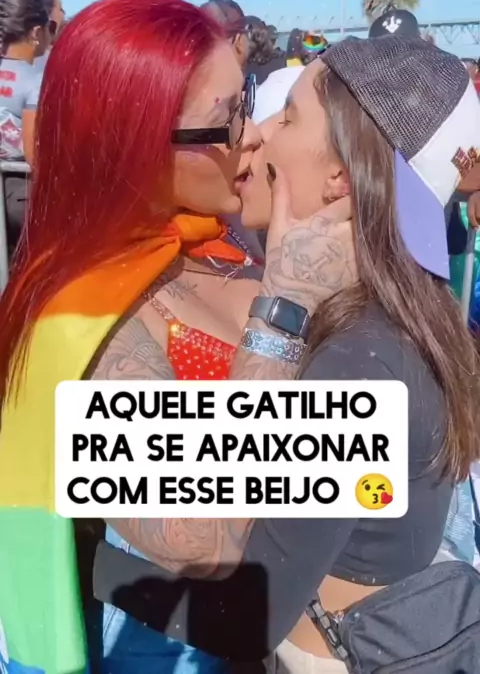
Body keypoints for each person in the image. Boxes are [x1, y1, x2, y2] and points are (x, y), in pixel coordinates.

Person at [93, 37, 480, 672]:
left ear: (340, 176)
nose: (257, 134)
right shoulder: (402, 308)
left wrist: (95, 565)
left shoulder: (359, 359)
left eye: (288, 117)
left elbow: (247, 611)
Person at [0, 0, 354, 674]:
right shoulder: (84, 322)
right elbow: (204, 536)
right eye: (227, 121)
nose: (253, 135)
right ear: (131, 148)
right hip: (160, 647)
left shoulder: (208, 240)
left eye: (247, 102)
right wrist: (284, 306)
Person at [0, 0, 55, 246]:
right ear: (35, 33)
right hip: (18, 197)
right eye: (49, 28)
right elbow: (35, 155)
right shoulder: (37, 81)